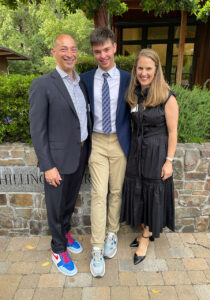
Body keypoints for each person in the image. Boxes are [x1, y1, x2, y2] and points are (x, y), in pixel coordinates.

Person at [29, 34, 92, 276]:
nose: (69, 53)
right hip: (56, 160)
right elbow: (38, 130)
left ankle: (64, 233)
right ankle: (57, 248)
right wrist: (47, 165)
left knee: (68, 202)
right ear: (54, 52)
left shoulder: (80, 83)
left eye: (73, 49)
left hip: (80, 153)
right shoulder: (43, 84)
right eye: (63, 49)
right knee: (55, 206)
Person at [120, 48, 179, 265]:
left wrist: (169, 161)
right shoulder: (133, 94)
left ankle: (146, 236)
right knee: (140, 193)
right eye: (140, 68)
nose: (144, 73)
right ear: (135, 70)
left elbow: (173, 132)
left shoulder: (166, 96)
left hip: (156, 153)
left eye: (148, 68)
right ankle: (144, 230)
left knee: (152, 194)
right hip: (137, 153)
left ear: (156, 70)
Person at [80, 27, 130, 278]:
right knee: (99, 193)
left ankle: (112, 232)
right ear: (93, 52)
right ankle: (97, 248)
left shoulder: (129, 78)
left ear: (114, 48)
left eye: (107, 49)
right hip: (97, 141)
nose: (103, 55)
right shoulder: (86, 79)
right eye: (98, 51)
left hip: (120, 141)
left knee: (117, 191)